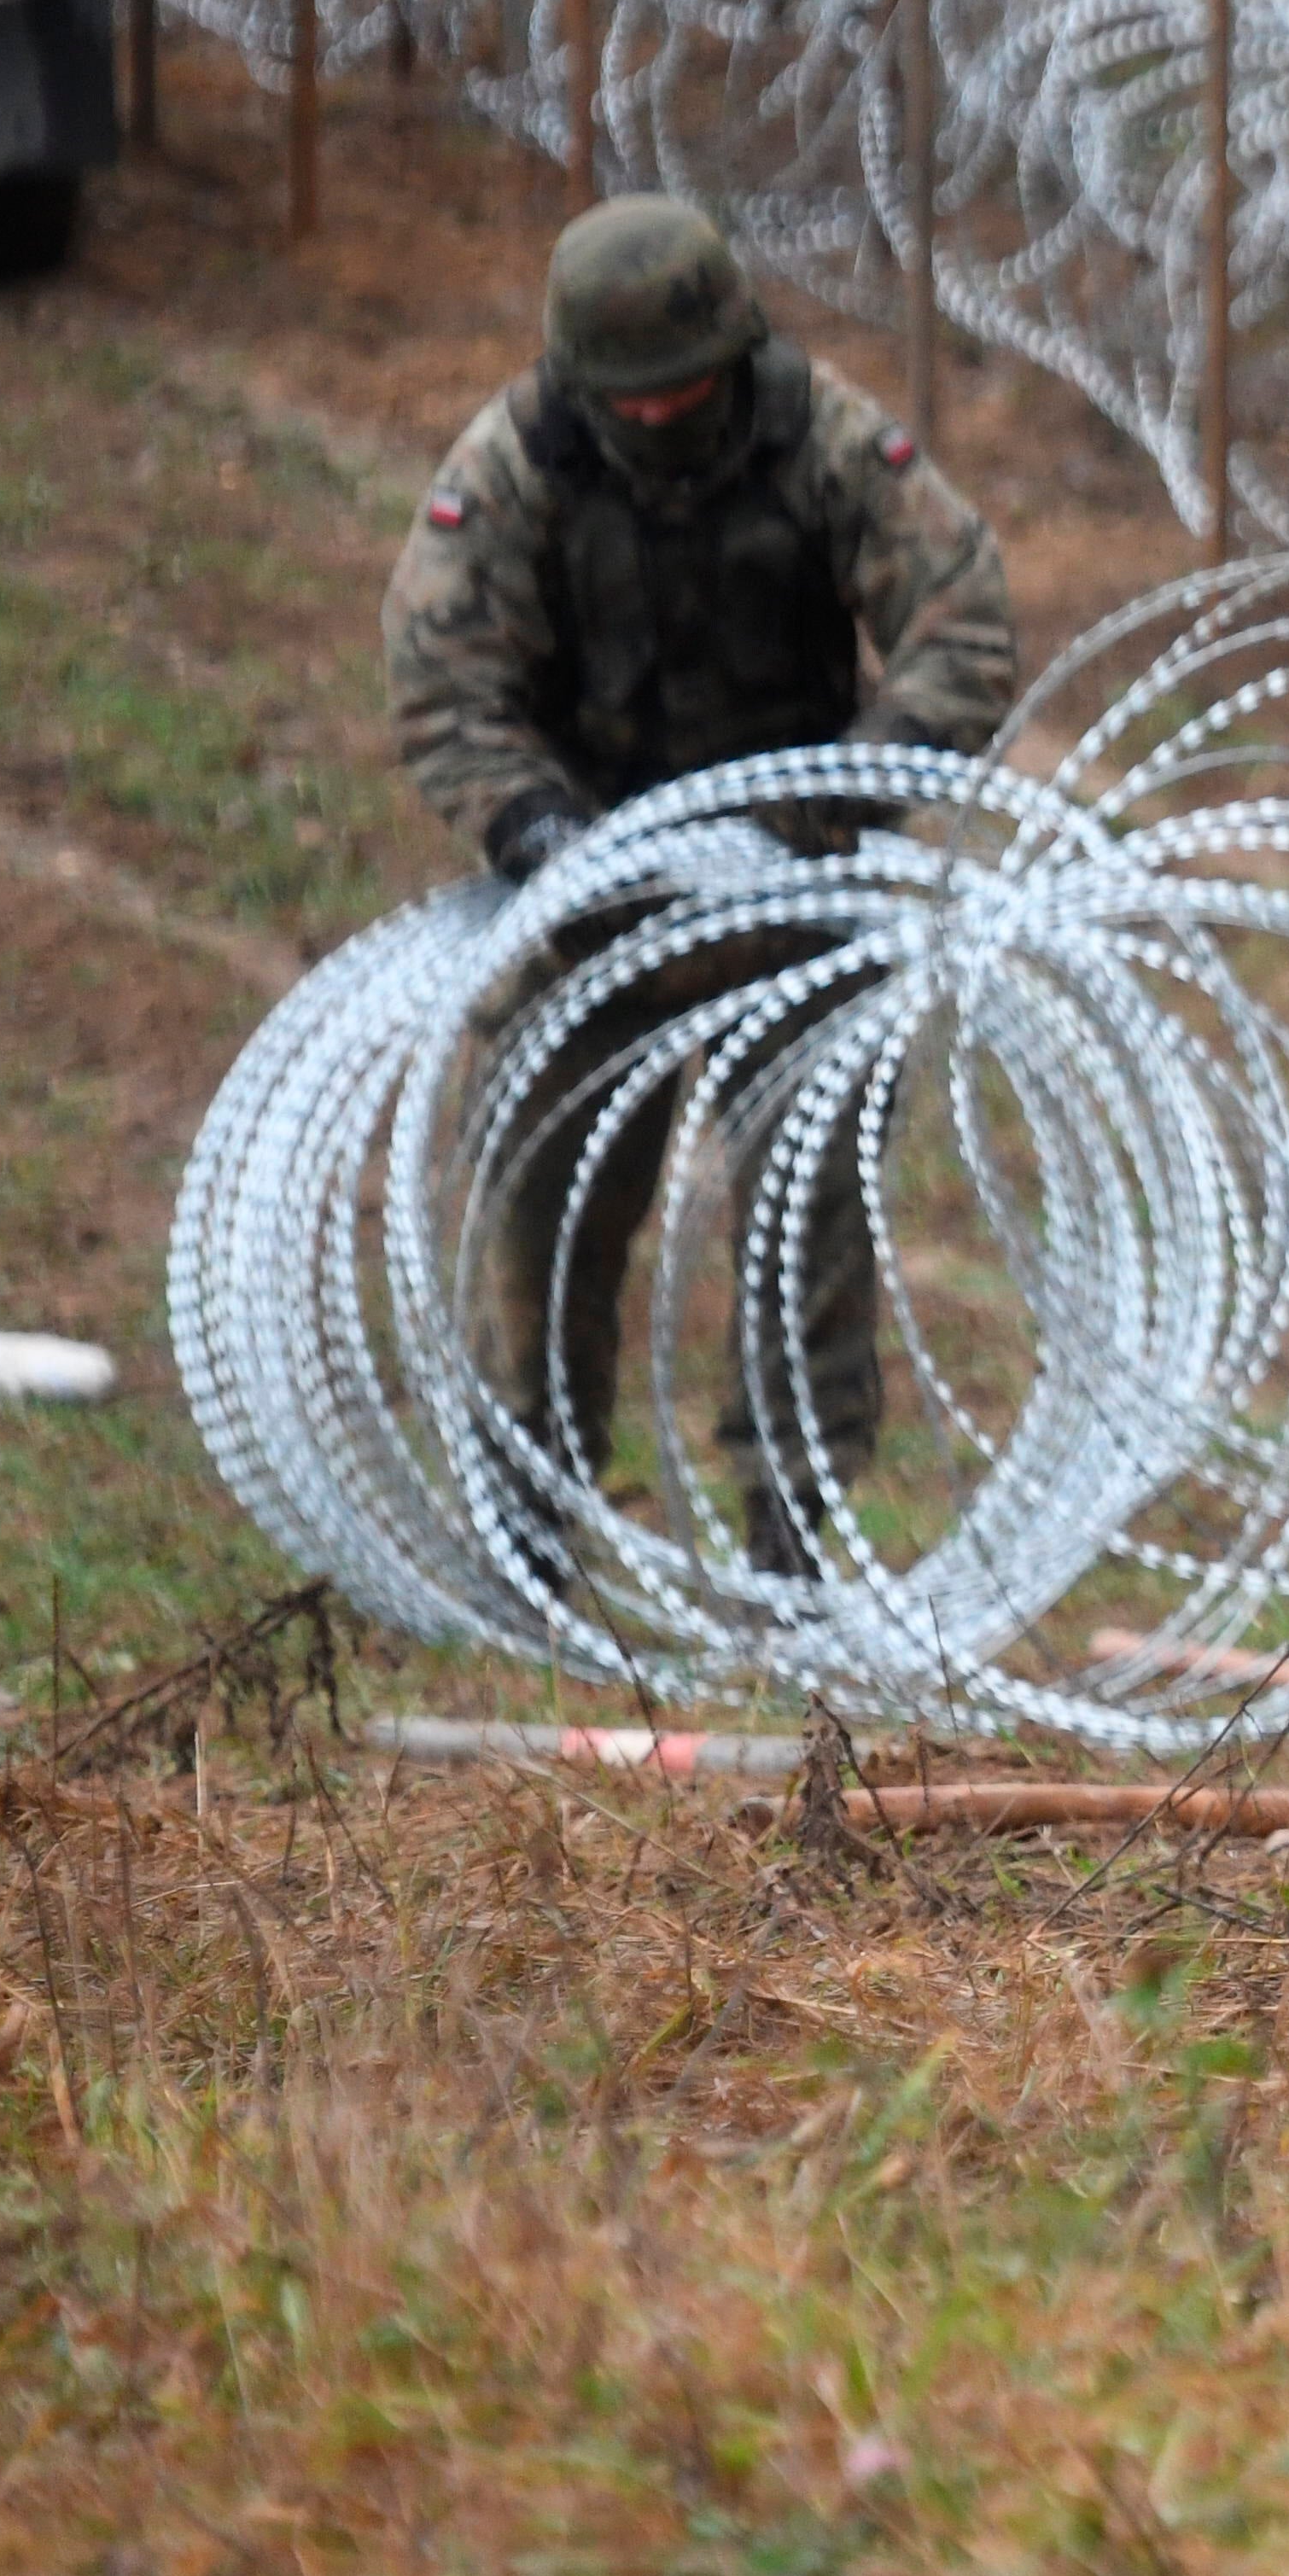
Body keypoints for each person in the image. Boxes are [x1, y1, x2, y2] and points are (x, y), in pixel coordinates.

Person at [385, 195, 1020, 1575]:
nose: (666, 417)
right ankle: (528, 1529)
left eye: (690, 390)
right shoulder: (518, 462)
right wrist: (545, 836)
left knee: (808, 1218)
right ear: (582, 382)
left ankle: (793, 1539)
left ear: (736, 353)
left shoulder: (820, 435)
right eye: (638, 399)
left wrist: (835, 796)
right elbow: (444, 680)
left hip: (793, 889)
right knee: (543, 1211)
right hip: (595, 909)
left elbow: (961, 616)